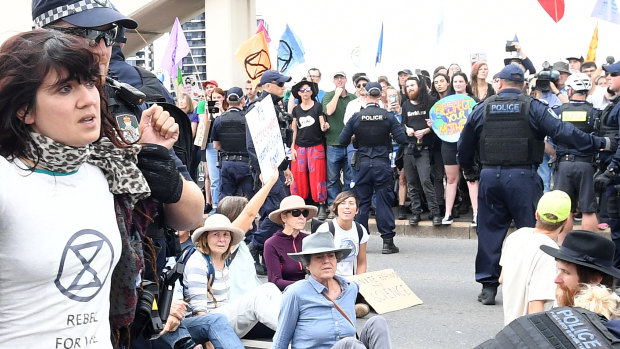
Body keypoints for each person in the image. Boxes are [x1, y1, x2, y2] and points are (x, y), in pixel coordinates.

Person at [31, 2, 206, 346]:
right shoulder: (14, 121)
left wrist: (158, 165)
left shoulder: (128, 107)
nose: (100, 48)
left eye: (109, 35)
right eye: (85, 34)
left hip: (127, 307)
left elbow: (192, 214)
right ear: (42, 38)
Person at [0, 29, 155, 347]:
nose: (88, 99)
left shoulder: (104, 171)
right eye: (65, 89)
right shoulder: (6, 182)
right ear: (24, 109)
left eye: (88, 82)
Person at [457, 64, 615, 306]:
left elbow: (464, 143)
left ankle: (488, 286)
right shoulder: (533, 106)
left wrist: (469, 169)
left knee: (489, 231)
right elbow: (563, 132)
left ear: (499, 84)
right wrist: (598, 142)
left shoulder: (483, 108)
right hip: (523, 177)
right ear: (523, 86)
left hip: (491, 177)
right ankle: (536, 281)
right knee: (535, 231)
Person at [272, 231, 392, 349]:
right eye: (319, 257)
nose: (326, 261)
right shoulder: (296, 293)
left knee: (377, 322)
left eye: (331, 256)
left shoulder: (350, 288)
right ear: (307, 264)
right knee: (349, 343)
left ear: (336, 260)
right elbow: (281, 340)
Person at [183, 214, 282, 338]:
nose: (222, 239)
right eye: (216, 234)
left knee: (269, 288)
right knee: (255, 300)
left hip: (223, 317)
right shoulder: (198, 262)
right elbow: (200, 313)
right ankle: (290, 332)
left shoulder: (223, 258)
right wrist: (207, 342)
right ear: (205, 237)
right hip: (209, 324)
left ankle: (290, 325)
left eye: (226, 235)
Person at [339, 82, 407, 254]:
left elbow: (342, 140)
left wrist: (355, 136)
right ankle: (387, 242)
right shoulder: (387, 116)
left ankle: (361, 242)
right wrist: (389, 134)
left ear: (365, 94)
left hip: (362, 164)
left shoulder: (357, 116)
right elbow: (402, 139)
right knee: (383, 201)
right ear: (379, 95)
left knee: (361, 203)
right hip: (381, 163)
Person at [245, 69, 295, 276]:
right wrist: (262, 171)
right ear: (267, 86)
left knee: (270, 213)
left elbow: (279, 143)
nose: (283, 88)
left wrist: (286, 168)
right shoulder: (259, 108)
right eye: (279, 84)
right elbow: (252, 145)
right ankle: (254, 246)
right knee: (280, 210)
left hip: (276, 169)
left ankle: (265, 257)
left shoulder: (275, 107)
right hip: (266, 171)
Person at [499, 190, 571, 324]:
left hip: (510, 326)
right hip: (528, 333)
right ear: (566, 221)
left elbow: (502, 278)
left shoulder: (516, 236)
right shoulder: (551, 252)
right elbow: (536, 305)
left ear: (537, 214)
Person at [551, 73, 600, 233]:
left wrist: (555, 153)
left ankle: (564, 249)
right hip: (587, 164)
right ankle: (589, 250)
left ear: (570, 90)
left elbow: (546, 140)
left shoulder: (557, 112)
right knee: (588, 210)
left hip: (563, 163)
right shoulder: (595, 113)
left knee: (564, 210)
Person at [401, 76, 442, 226]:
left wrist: (426, 130)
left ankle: (435, 212)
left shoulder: (430, 102)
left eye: (412, 85)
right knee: (411, 182)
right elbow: (402, 124)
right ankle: (416, 212)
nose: (410, 88)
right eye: (407, 86)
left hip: (424, 148)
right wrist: (407, 129)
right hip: (409, 148)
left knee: (425, 181)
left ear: (419, 86)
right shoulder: (405, 105)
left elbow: (438, 123)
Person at [541, 230, 620, 306]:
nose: (556, 280)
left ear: (594, 279)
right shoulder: (562, 299)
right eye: (559, 270)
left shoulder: (608, 317)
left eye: (566, 272)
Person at [594, 61, 620, 268]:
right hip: (612, 173)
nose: (609, 77)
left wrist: (611, 170)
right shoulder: (616, 102)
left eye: (613, 74)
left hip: (616, 175)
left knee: (618, 228)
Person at [264, 195, 317, 291]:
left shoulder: (308, 239)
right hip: (285, 294)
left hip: (310, 290)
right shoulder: (271, 244)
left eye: (304, 213)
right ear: (284, 217)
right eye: (296, 213)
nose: (302, 217)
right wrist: (305, 285)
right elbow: (275, 281)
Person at [290, 79, 328, 210]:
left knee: (318, 175)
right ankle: (298, 204)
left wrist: (324, 126)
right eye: (302, 90)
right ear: (298, 93)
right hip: (299, 146)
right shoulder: (296, 109)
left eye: (307, 90)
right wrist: (292, 147)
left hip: (316, 146)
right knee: (298, 175)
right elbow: (294, 129)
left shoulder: (317, 106)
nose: (305, 92)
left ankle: (321, 204)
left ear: (312, 92)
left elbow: (322, 123)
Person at [322, 71, 356, 218]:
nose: (339, 80)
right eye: (337, 78)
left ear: (346, 80)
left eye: (342, 77)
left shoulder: (353, 98)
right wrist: (337, 94)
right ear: (333, 81)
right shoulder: (329, 96)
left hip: (350, 144)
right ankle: (333, 208)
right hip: (333, 143)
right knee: (332, 179)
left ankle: (347, 207)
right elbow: (329, 111)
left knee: (349, 179)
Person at [212, 87, 254, 200]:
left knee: (226, 200)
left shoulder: (219, 120)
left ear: (227, 101)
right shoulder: (249, 118)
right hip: (246, 164)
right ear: (242, 100)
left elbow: (216, 146)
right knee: (247, 200)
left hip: (226, 163)